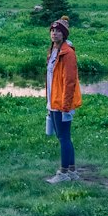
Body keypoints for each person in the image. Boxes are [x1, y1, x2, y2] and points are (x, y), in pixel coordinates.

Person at [45, 15, 81, 184]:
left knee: (63, 137)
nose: (54, 34)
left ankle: (63, 173)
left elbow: (70, 81)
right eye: (52, 30)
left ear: (64, 34)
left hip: (62, 104)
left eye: (58, 31)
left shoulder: (68, 53)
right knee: (64, 136)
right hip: (54, 101)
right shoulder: (53, 50)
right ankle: (72, 171)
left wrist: (66, 106)